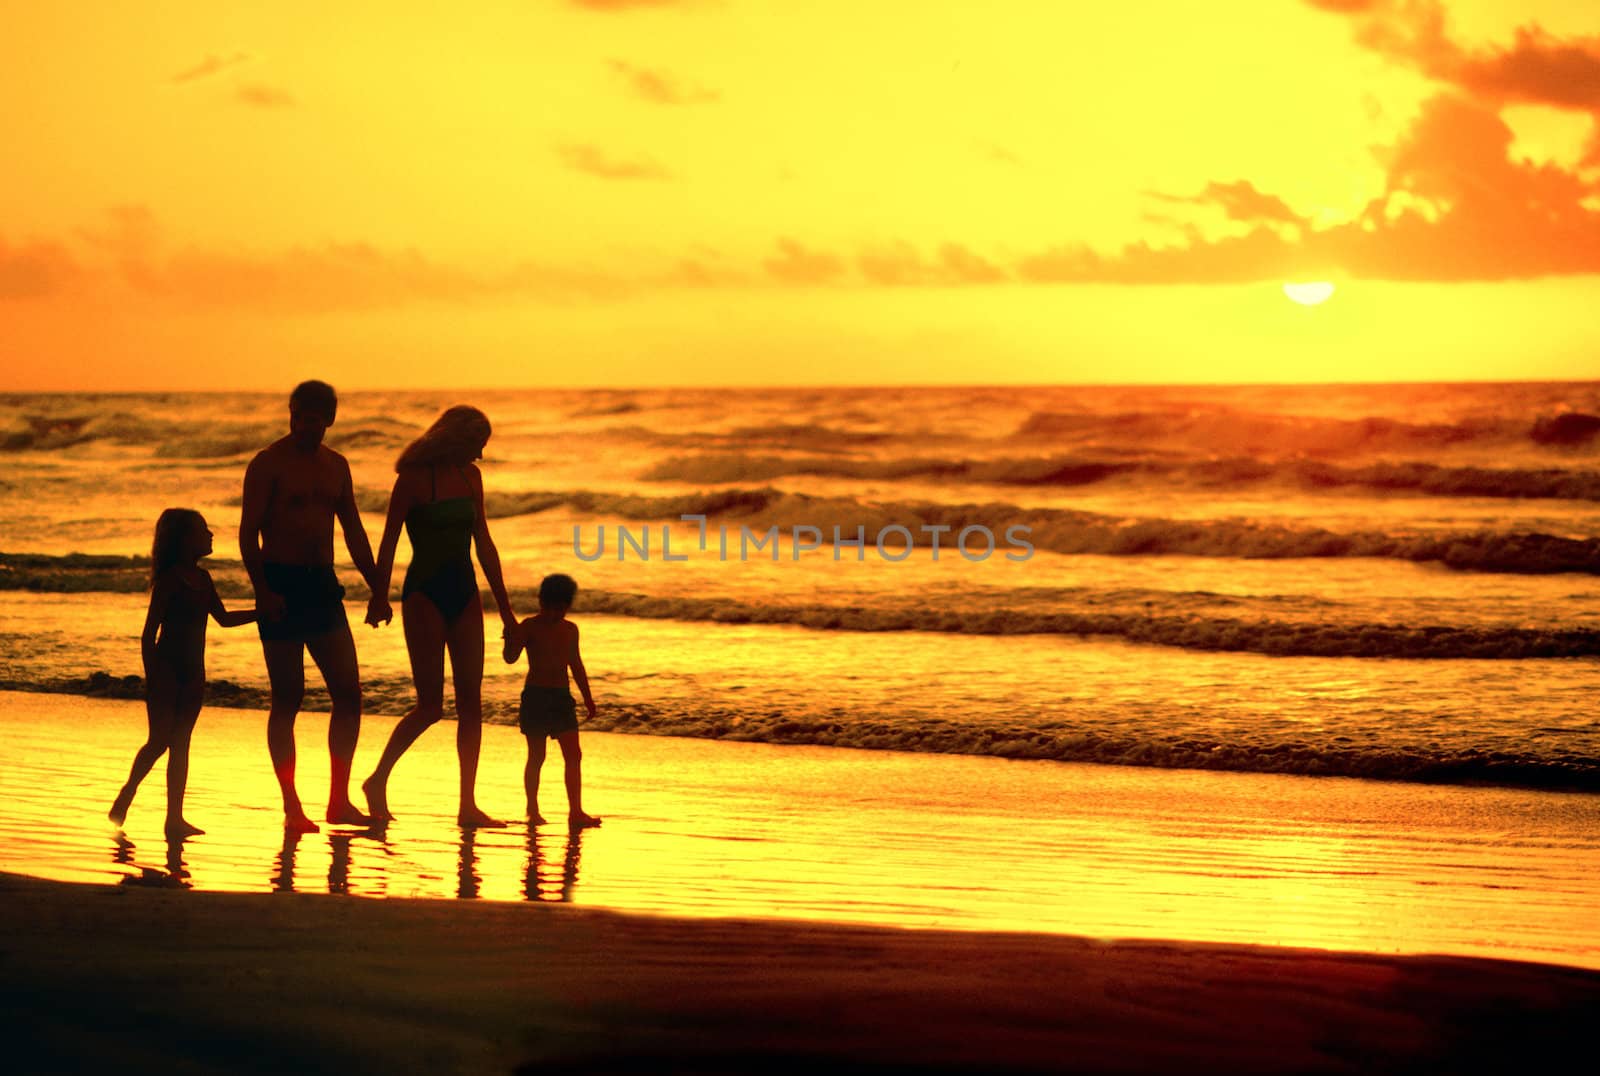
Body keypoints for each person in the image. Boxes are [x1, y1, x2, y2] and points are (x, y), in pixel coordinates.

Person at [361, 405, 519, 828]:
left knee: (472, 702)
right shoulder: (412, 480)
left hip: (465, 594)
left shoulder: (472, 478)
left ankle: (468, 804)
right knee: (430, 706)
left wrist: (507, 612)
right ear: (454, 438)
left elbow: (483, 543)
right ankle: (376, 780)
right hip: (424, 595)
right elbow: (389, 542)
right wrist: (379, 596)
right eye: (476, 445)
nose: (480, 455)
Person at [240, 380, 381, 833]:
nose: (306, 426)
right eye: (299, 416)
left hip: (321, 585)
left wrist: (378, 587)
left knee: (349, 693)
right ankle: (291, 806)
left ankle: (338, 800)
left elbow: (354, 530)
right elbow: (248, 533)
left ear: (330, 419)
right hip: (279, 582)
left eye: (316, 419)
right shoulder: (267, 464)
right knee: (288, 697)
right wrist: (262, 589)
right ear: (290, 414)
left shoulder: (337, 466)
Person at [111, 509, 256, 837]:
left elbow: (224, 619)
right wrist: (154, 676)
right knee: (160, 740)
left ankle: (174, 818)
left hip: (194, 672)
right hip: (167, 669)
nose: (211, 534)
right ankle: (128, 791)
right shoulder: (169, 580)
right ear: (183, 540)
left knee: (182, 743)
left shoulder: (204, 579)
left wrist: (261, 614)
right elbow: (149, 633)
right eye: (203, 530)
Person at [504, 573, 600, 829]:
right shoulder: (529, 626)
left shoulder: (570, 630)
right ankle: (532, 810)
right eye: (551, 608)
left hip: (561, 697)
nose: (556, 614)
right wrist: (509, 638)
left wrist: (588, 698)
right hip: (536, 696)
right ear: (541, 602)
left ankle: (576, 812)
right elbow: (510, 658)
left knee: (574, 754)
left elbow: (576, 664)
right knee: (537, 756)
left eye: (562, 608)